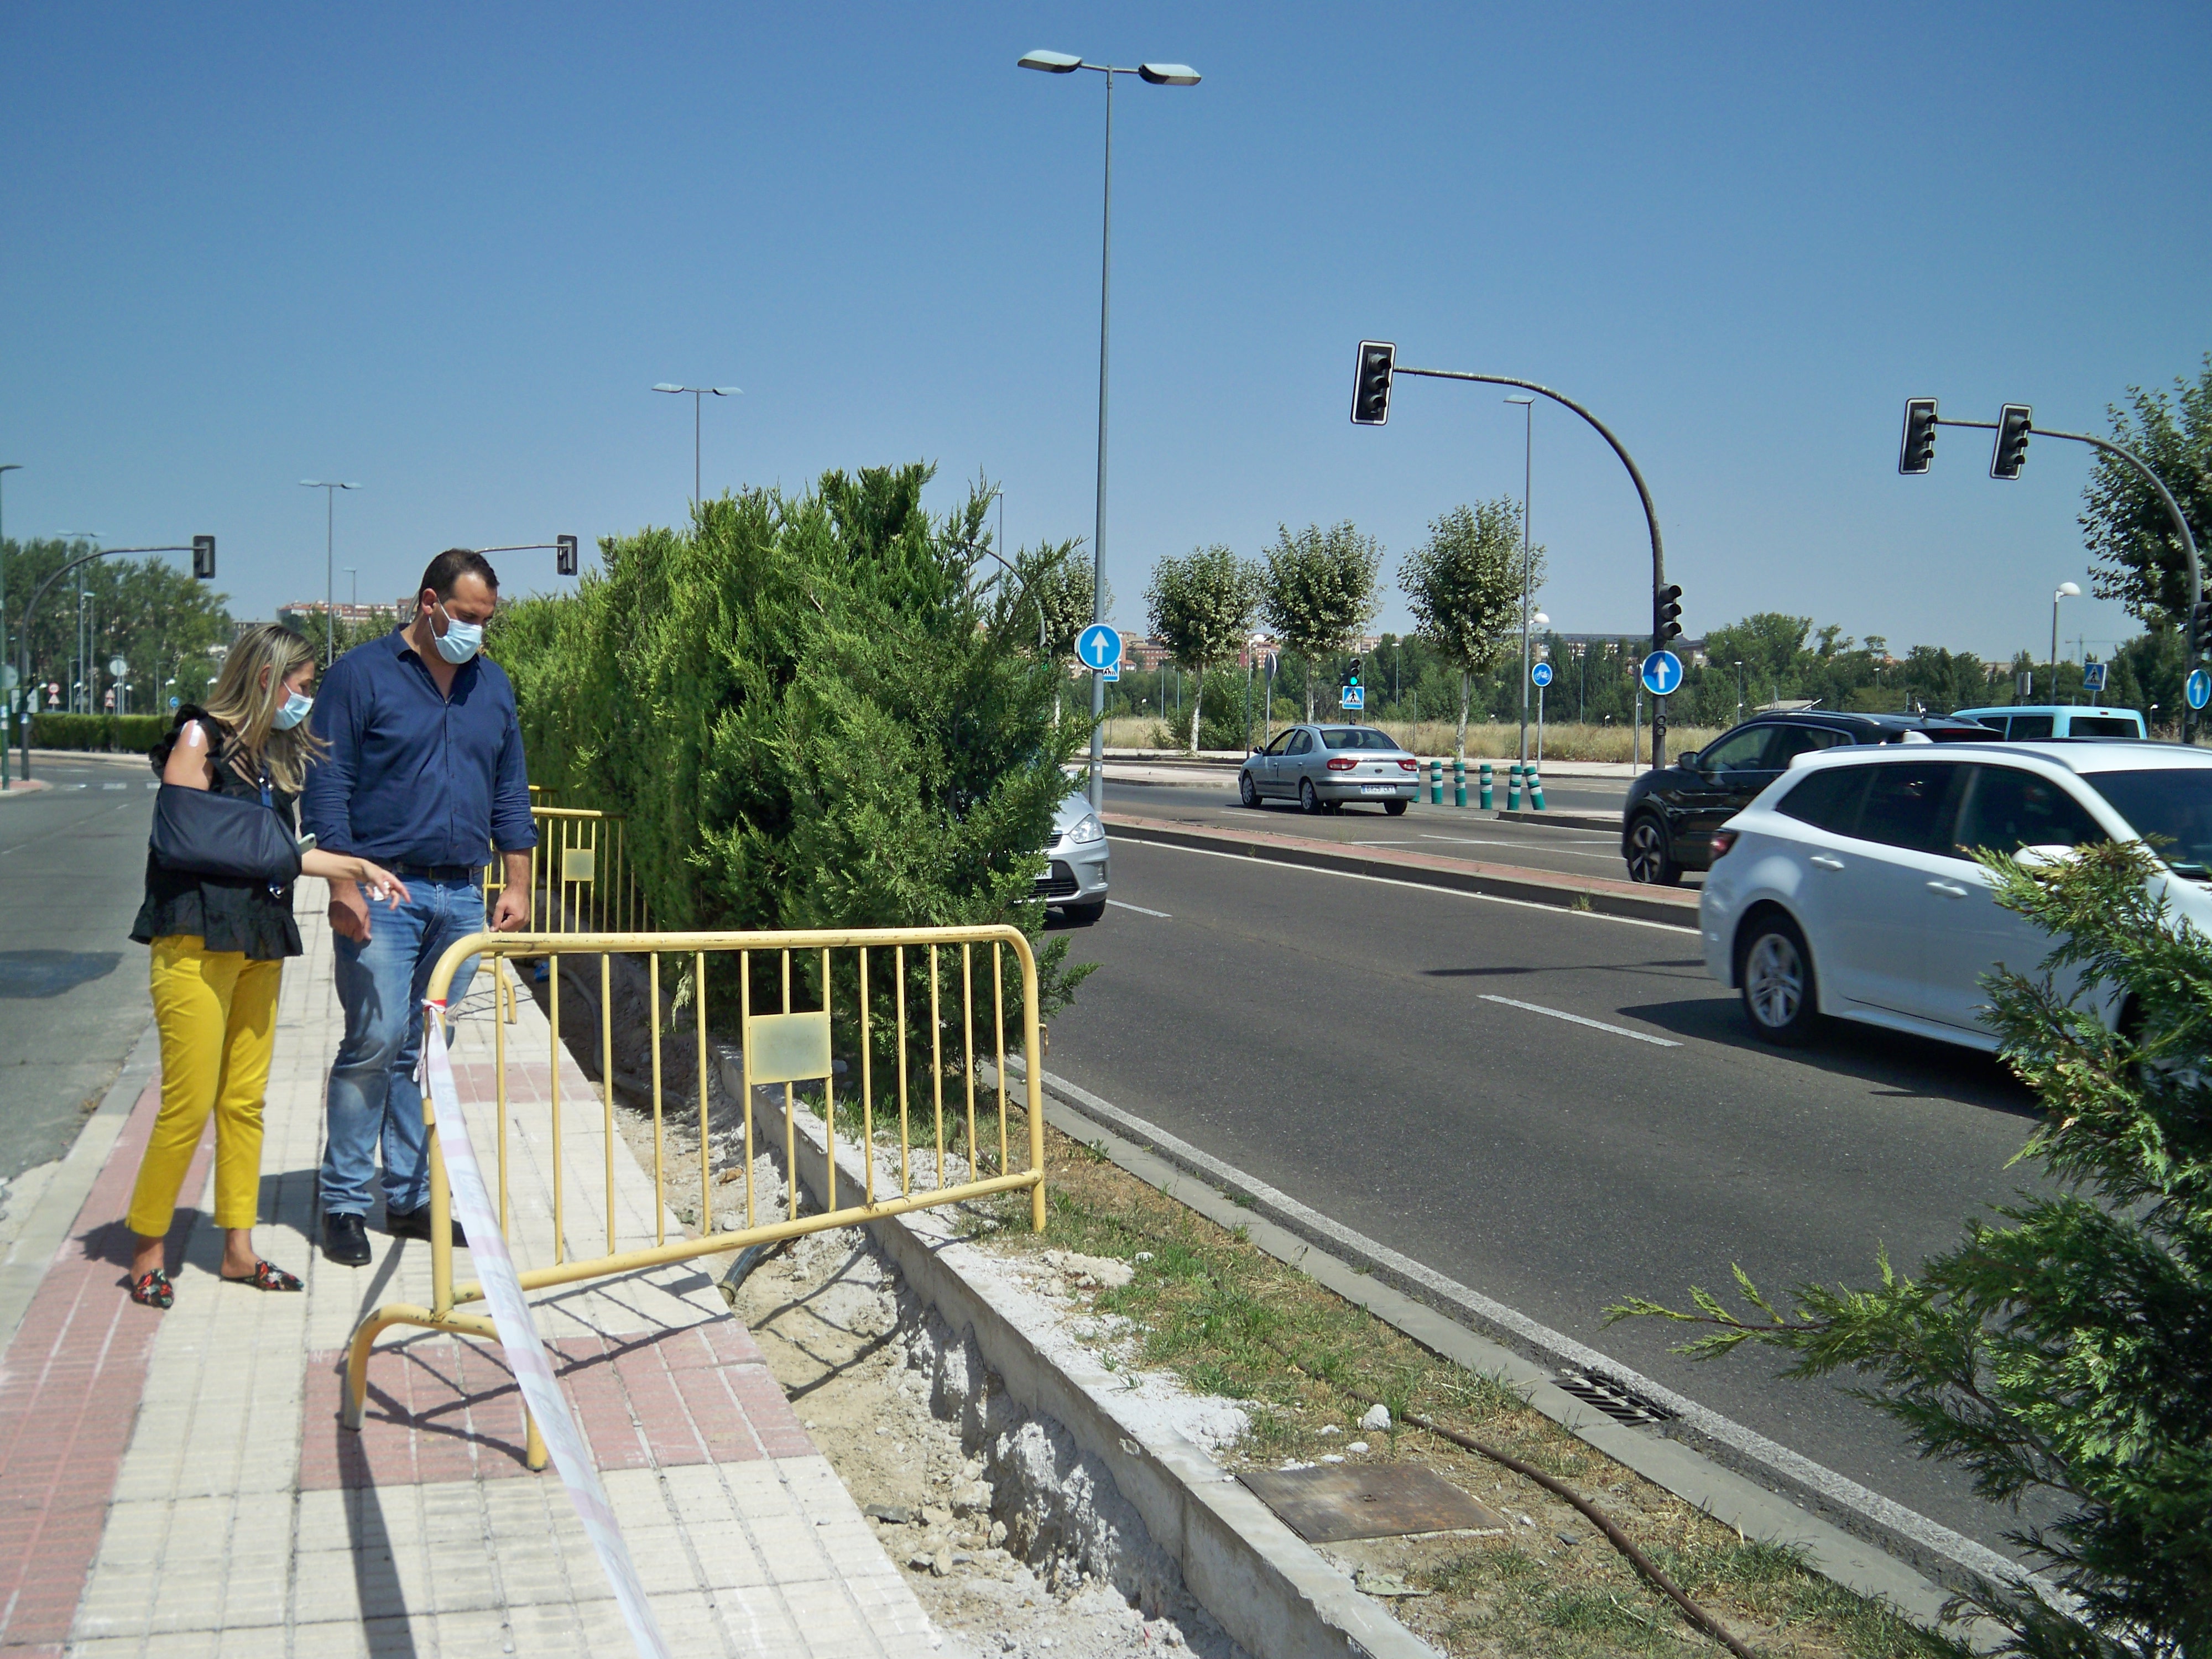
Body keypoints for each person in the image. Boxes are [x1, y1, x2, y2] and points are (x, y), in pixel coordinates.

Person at [124, 624, 413, 1309]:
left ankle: (238, 1249)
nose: (306, 700)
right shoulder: (199, 738)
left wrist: (352, 867)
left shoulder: (268, 759)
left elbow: (282, 851)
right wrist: (338, 864)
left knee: (244, 1102)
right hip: (194, 939)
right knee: (189, 1103)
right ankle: (147, 1251)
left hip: (257, 938)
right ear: (266, 678)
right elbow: (182, 837)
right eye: (302, 686)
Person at [302, 548, 536, 1266]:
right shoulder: (359, 676)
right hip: (382, 891)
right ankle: (345, 1202)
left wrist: (518, 883)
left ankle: (407, 1198)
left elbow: (509, 788)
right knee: (375, 1041)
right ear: (428, 602)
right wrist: (343, 887)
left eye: (486, 620)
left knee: (424, 1053)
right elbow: (328, 785)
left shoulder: (492, 685)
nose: (477, 632)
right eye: (466, 616)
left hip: (460, 895)